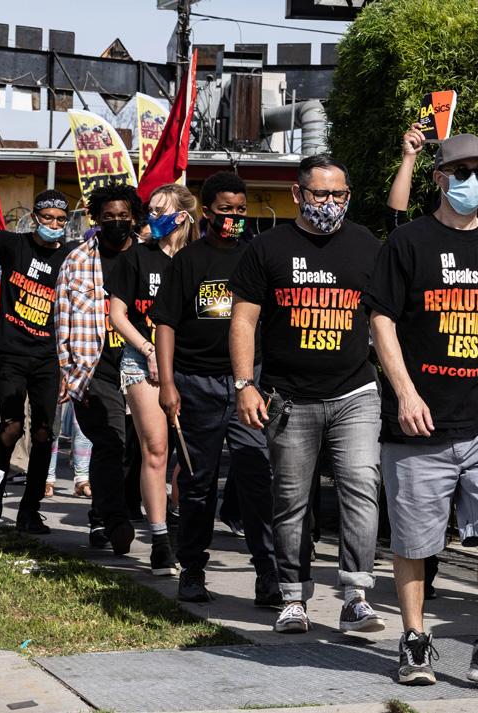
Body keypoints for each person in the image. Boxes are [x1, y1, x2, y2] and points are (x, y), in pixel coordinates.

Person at [364, 134, 478, 687]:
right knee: (415, 541)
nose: (473, 182)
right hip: (420, 423)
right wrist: (405, 392)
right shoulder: (408, 243)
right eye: (461, 172)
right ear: (439, 178)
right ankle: (415, 640)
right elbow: (382, 321)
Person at [230, 155, 384, 634]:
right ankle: (293, 597)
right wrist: (244, 384)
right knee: (292, 499)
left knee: (361, 485)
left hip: (355, 392)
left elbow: (383, 320)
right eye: (320, 194)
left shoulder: (366, 246)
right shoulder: (267, 248)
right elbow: (244, 320)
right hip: (289, 398)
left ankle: (355, 596)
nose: (330, 203)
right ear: (298, 194)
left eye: (339, 194)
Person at [150, 172, 280, 605]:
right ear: (206, 212)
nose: (234, 217)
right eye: (225, 210)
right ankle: (192, 569)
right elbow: (165, 324)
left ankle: (268, 573)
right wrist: (168, 383)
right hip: (195, 385)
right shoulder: (188, 261)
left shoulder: (256, 256)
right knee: (197, 482)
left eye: (241, 210)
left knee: (257, 478)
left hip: (248, 386)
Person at [0, 189, 78, 534]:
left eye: (60, 220)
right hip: (11, 353)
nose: (54, 224)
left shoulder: (70, 256)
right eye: (47, 218)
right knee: (10, 427)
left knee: (44, 433)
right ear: (35, 218)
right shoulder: (14, 245)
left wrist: (69, 364)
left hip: (49, 357)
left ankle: (30, 510)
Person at [107, 184, 193, 575]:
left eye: (160, 210)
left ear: (181, 216)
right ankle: (159, 540)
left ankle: (180, 523)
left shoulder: (197, 259)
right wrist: (148, 350)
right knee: (156, 449)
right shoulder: (136, 258)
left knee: (191, 457)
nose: (151, 217)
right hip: (142, 363)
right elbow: (117, 315)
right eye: (150, 210)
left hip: (192, 365)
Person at [56, 184, 144, 556]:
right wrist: (67, 372)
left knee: (139, 449)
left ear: (134, 218)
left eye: (123, 216)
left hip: (143, 368)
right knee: (111, 442)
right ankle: (111, 519)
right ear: (96, 219)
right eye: (109, 217)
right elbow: (62, 320)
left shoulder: (148, 258)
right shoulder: (77, 261)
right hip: (95, 369)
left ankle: (115, 510)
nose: (117, 223)